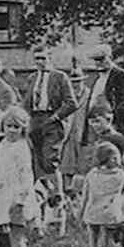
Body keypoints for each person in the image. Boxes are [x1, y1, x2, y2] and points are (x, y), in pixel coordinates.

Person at [0, 106, 39, 247]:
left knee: (17, 234)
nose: (12, 130)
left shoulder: (21, 147)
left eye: (17, 127)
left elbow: (26, 176)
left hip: (17, 196)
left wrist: (21, 199)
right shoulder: (3, 145)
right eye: (9, 126)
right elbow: (0, 169)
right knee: (5, 231)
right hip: (3, 194)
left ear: (23, 129)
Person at [23, 49, 78, 178]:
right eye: (37, 59)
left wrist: (56, 117)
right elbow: (26, 102)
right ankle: (42, 193)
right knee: (37, 160)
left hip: (52, 121)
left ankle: (57, 194)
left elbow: (72, 103)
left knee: (50, 161)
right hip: (35, 121)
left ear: (50, 58)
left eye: (43, 58)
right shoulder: (32, 78)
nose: (40, 62)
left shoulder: (59, 77)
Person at [80, 141, 124, 247]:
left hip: (94, 208)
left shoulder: (92, 174)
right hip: (111, 209)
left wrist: (82, 210)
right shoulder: (119, 174)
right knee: (108, 231)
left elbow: (85, 193)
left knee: (93, 229)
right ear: (113, 159)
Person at [85, 44, 124, 136]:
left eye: (101, 59)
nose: (98, 63)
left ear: (110, 57)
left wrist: (114, 119)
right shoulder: (98, 78)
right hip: (97, 125)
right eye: (96, 60)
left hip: (114, 125)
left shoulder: (120, 76)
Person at [58, 68, 94, 191]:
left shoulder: (90, 96)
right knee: (67, 167)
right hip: (68, 136)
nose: (75, 85)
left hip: (85, 135)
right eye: (72, 82)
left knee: (84, 168)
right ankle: (67, 195)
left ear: (83, 81)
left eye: (78, 82)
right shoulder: (66, 97)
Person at [86, 104, 124, 171]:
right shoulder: (98, 137)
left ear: (108, 120)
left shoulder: (116, 137)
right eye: (92, 122)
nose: (95, 125)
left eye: (97, 121)